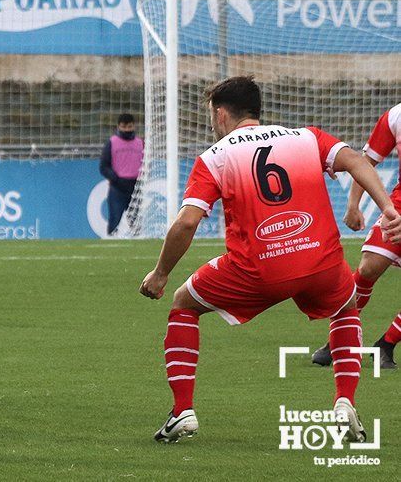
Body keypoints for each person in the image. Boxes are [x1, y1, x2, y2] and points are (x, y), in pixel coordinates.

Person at [138, 76, 401, 444]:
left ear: (220, 113)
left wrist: (160, 273)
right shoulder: (306, 137)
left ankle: (182, 410)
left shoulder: (216, 156)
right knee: (347, 306)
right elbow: (356, 160)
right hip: (319, 262)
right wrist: (388, 209)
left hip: (257, 269)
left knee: (183, 303)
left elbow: (186, 222)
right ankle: (344, 400)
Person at [311, 102, 401, 369]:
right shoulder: (396, 115)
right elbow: (365, 161)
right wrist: (353, 204)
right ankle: (339, 338)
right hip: (399, 204)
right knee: (369, 266)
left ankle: (386, 344)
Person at [99, 113, 143, 234]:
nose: (127, 129)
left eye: (129, 126)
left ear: (134, 126)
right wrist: (116, 178)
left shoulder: (140, 143)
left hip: (135, 188)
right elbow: (103, 166)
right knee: (114, 221)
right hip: (117, 188)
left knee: (136, 223)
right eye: (124, 127)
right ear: (118, 127)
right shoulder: (112, 143)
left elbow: (145, 164)